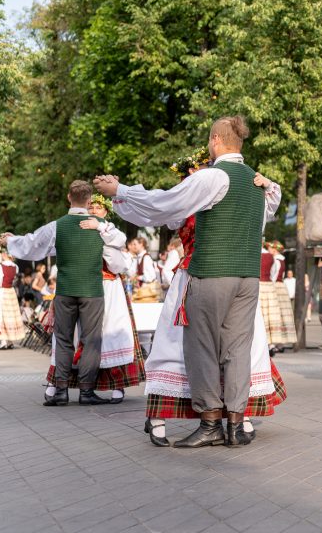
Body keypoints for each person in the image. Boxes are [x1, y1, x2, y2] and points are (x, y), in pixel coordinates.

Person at [96, 116, 282, 447]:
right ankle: (236, 425)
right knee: (238, 350)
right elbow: (267, 215)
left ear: (215, 140)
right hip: (248, 278)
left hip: (211, 273)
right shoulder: (261, 184)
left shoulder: (212, 177)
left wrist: (120, 191)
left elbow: (163, 204)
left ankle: (210, 424)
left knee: (202, 348)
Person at [2, 180, 127, 406]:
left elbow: (31, 244)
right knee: (91, 340)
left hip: (66, 290)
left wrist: (10, 240)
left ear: (69, 198)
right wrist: (100, 226)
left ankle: (61, 391)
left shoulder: (57, 225)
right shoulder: (102, 226)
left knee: (63, 339)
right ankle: (87, 391)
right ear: (90, 201)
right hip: (92, 290)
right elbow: (120, 245)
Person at [40, 194, 145, 403]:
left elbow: (118, 264)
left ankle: (117, 386)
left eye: (99, 208)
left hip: (107, 287)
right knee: (75, 336)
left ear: (106, 212)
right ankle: (58, 384)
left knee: (110, 334)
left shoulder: (109, 232)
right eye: (93, 207)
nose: (95, 211)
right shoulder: (81, 228)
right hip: (84, 287)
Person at [259, 240, 296, 352]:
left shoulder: (276, 259)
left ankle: (273, 343)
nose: (269, 249)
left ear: (274, 249)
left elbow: (274, 275)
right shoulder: (276, 259)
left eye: (271, 248)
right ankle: (277, 343)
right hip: (274, 286)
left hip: (270, 286)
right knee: (277, 315)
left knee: (270, 314)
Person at [0, 248, 25, 349]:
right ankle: (10, 341)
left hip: (1, 291)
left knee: (1, 315)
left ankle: (3, 341)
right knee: (11, 316)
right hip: (11, 291)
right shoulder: (15, 267)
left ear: (4, 254)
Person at [128, 236, 159, 302]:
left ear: (141, 244)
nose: (133, 246)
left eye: (135, 244)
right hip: (142, 290)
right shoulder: (139, 257)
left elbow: (151, 277)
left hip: (148, 291)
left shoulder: (146, 258)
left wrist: (138, 277)